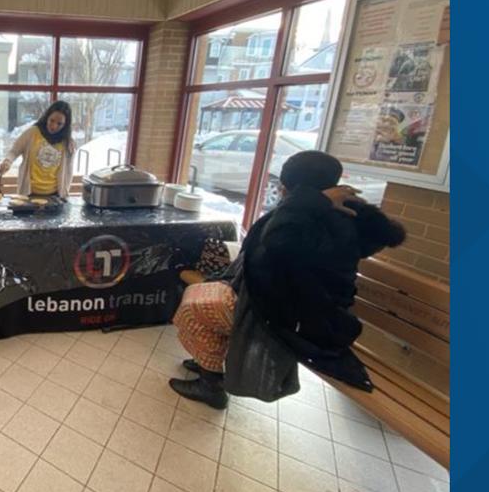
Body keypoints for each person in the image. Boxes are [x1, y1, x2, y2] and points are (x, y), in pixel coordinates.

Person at [170, 151, 406, 409]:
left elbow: (276, 242)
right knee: (205, 291)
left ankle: (210, 384)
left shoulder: (311, 218)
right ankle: (210, 359)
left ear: (293, 189)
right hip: (302, 308)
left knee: (193, 308)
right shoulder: (337, 215)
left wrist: (307, 202)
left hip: (293, 319)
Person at [0, 101, 76, 197]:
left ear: (65, 125)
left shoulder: (67, 143)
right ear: (47, 117)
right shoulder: (33, 133)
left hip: (54, 195)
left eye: (59, 124)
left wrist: (64, 192)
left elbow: (68, 172)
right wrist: (8, 161)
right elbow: (14, 151)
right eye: (51, 120)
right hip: (29, 193)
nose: (54, 126)